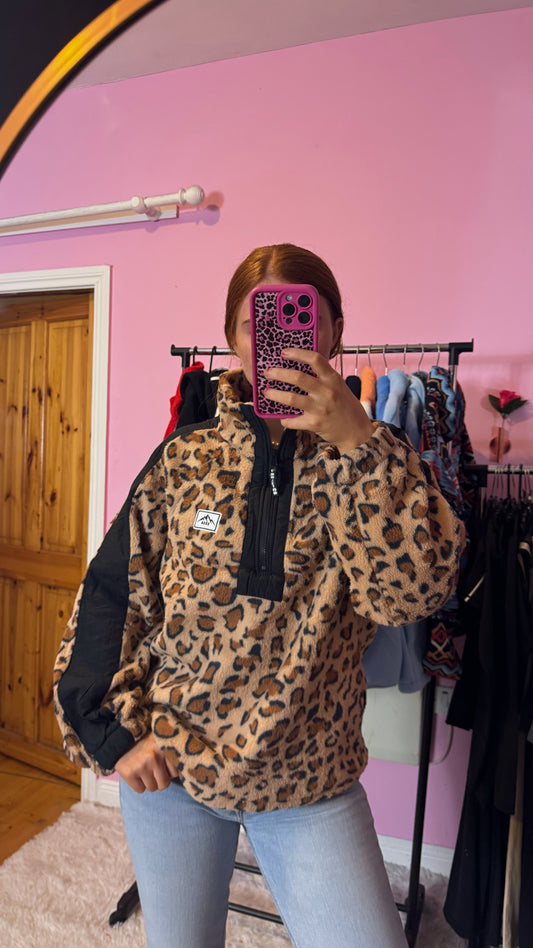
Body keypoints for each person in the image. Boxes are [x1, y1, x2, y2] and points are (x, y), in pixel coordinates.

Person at [54, 243, 465, 948]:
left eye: (301, 319)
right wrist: (108, 730)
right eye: (256, 324)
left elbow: (410, 595)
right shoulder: (185, 458)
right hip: (174, 772)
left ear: (333, 332)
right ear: (232, 339)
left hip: (310, 784)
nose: (276, 340)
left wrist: (358, 442)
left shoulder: (376, 457)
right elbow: (115, 592)